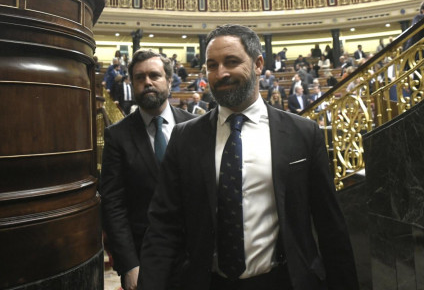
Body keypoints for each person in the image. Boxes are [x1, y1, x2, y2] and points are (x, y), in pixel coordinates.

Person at [138, 24, 358, 290]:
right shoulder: (185, 138)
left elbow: (330, 225)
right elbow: (163, 226)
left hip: (284, 281)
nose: (221, 73)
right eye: (212, 65)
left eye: (232, 62)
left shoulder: (302, 133)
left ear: (258, 63)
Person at [100, 49, 195, 290]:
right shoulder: (117, 135)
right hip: (145, 259)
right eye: (140, 78)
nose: (147, 82)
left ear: (169, 80)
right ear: (132, 83)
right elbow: (113, 205)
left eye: (154, 75)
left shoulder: (194, 127)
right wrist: (129, 264)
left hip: (196, 255)